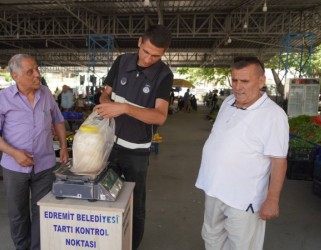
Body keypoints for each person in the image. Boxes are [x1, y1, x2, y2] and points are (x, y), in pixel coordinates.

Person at [195, 56, 289, 250]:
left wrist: (272, 200)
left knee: (242, 245)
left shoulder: (273, 115)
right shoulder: (229, 102)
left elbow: (279, 160)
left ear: (261, 81)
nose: (237, 87)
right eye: (234, 80)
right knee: (212, 236)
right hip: (214, 188)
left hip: (243, 198)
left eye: (244, 81)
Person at [95, 24, 173, 250]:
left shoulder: (164, 75)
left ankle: (131, 245)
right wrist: (107, 104)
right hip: (108, 146)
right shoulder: (121, 62)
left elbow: (160, 116)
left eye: (156, 55)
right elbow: (104, 95)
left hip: (136, 152)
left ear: (164, 53)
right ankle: (108, 242)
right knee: (104, 196)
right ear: (139, 41)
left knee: (135, 204)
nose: (149, 59)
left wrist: (125, 108)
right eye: (146, 51)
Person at [0, 54, 69, 250]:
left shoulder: (46, 93)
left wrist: (63, 146)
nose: (37, 75)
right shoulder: (2, 99)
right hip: (15, 168)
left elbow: (58, 120)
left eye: (37, 69)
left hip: (45, 166)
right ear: (15, 76)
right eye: (30, 72)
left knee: (42, 212)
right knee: (18, 214)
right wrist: (14, 153)